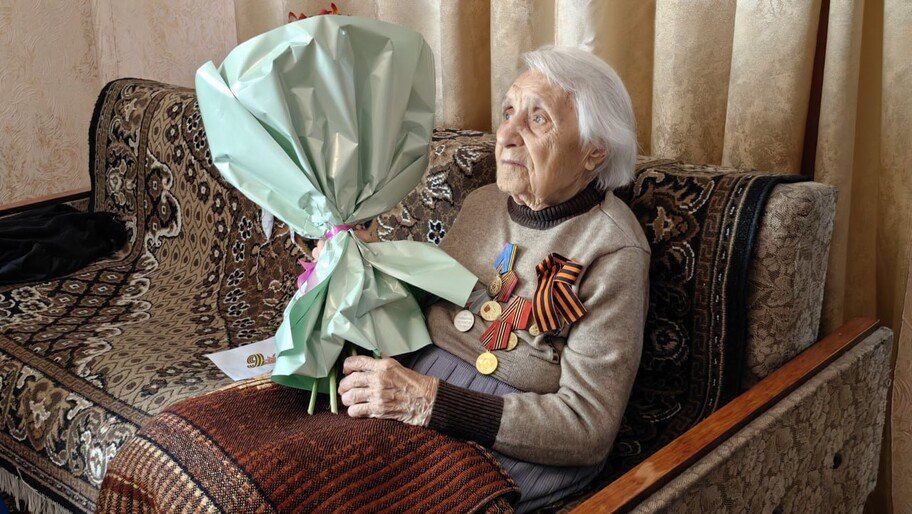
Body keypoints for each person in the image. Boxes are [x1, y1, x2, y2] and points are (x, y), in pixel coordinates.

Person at [330, 45, 650, 511]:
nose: (506, 136)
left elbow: (587, 428)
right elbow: (426, 304)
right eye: (508, 113)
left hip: (511, 438)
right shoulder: (483, 203)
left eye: (538, 119)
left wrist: (429, 402)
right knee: (277, 460)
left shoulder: (613, 248)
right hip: (413, 392)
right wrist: (359, 266)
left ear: (593, 151)